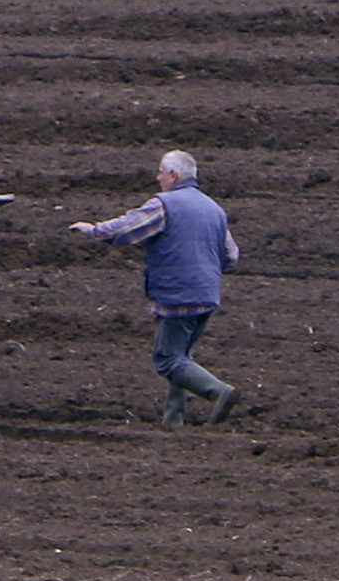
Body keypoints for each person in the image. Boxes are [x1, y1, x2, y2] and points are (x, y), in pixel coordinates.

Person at [72, 150, 240, 426]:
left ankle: (220, 392)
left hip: (178, 294)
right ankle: (174, 419)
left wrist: (93, 230)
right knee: (182, 356)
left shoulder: (165, 205)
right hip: (208, 294)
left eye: (161, 171)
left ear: (173, 176)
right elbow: (231, 256)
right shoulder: (214, 209)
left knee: (167, 359)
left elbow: (127, 229)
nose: (158, 176)